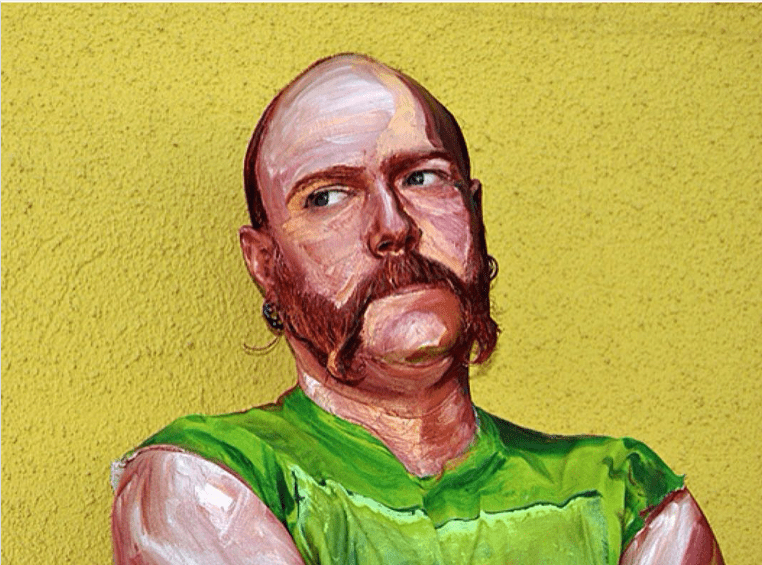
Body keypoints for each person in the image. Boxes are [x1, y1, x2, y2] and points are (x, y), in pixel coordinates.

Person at [111, 54, 724, 565]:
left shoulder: (625, 494)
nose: (393, 227)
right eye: (327, 196)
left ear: (474, 214)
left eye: (423, 179)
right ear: (265, 264)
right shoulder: (203, 481)